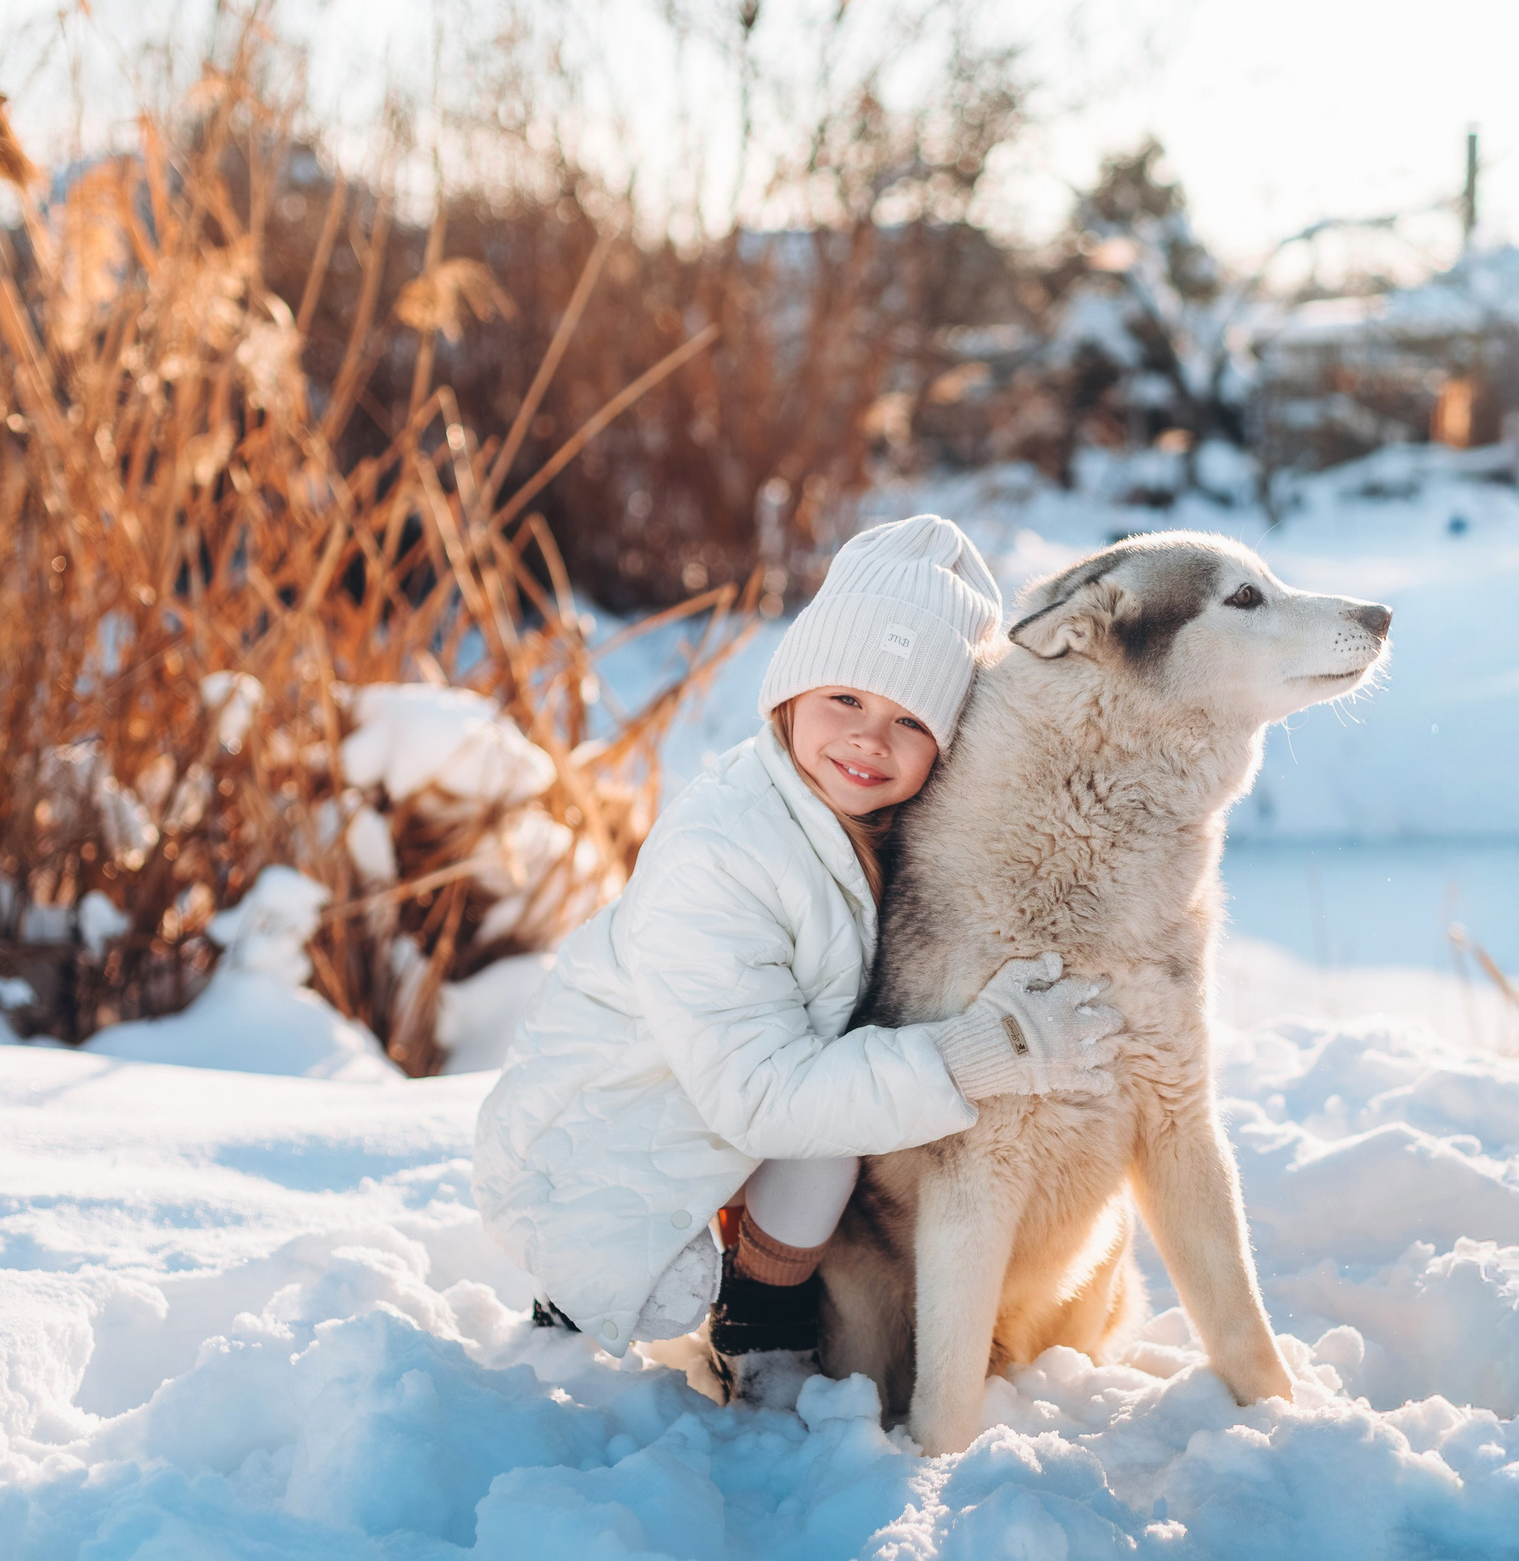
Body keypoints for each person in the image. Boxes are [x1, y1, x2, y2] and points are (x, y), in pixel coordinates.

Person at [473, 515, 1124, 1403]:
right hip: (598, 1139)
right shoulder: (725, 852)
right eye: (845, 699)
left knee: (841, 1119)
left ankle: (759, 1312)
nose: (870, 740)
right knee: (666, 1259)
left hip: (734, 1100)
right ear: (788, 693)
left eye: (910, 720)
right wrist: (981, 1049)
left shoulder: (869, 826)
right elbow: (765, 1094)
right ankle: (651, 1326)